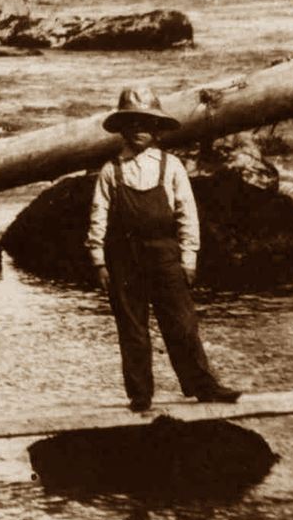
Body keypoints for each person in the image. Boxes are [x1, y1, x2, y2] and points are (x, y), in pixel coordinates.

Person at [86, 87, 242, 411]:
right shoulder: (111, 171)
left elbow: (188, 215)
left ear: (156, 129)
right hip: (124, 259)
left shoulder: (171, 166)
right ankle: (140, 396)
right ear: (123, 129)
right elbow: (98, 218)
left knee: (182, 325)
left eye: (145, 124)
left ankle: (203, 386)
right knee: (133, 330)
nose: (139, 131)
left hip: (165, 256)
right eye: (132, 124)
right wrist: (99, 262)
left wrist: (189, 258)